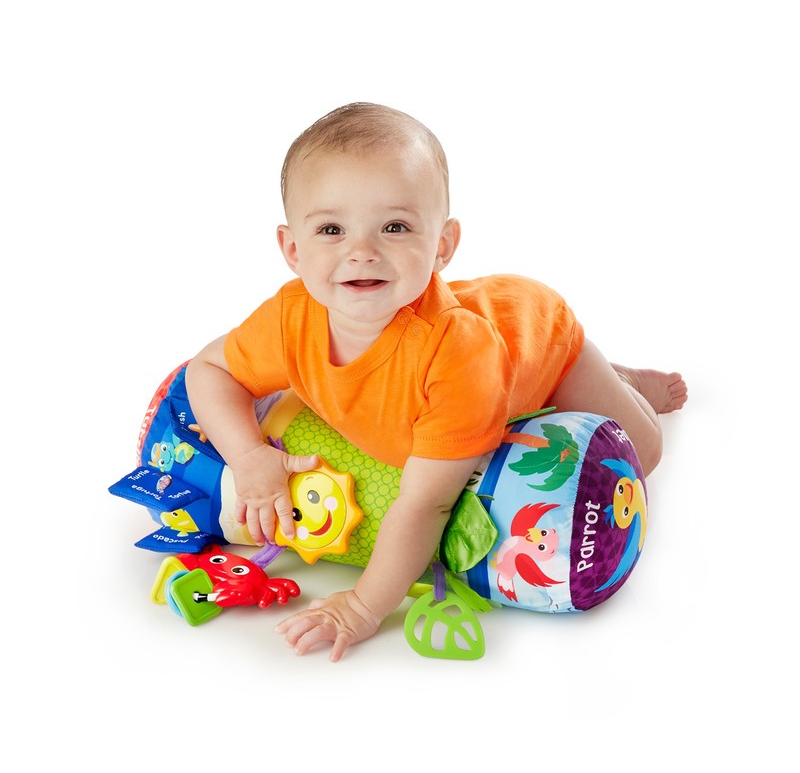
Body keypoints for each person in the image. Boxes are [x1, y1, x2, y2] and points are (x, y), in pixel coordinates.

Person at [184, 102, 687, 661]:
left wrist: (363, 606)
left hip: (538, 341)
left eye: (395, 227)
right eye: (331, 229)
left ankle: (621, 378)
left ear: (443, 244)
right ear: (293, 249)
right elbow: (208, 370)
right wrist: (249, 457)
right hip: (471, 366)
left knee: (645, 452)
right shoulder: (290, 318)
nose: (361, 251)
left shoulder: (455, 355)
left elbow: (426, 503)